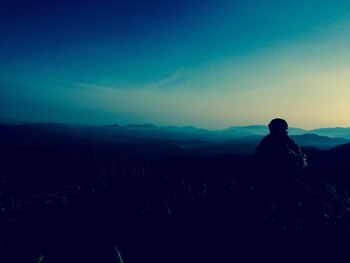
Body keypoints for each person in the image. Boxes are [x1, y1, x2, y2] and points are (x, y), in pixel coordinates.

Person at [254, 118, 307, 187]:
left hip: (270, 175)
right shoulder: (281, 140)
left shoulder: (269, 139)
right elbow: (296, 152)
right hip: (279, 176)